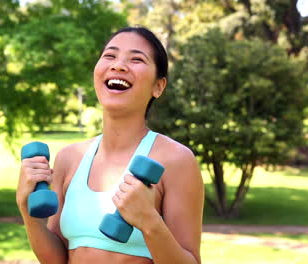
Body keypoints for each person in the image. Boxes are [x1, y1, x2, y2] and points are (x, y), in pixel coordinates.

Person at [17, 26, 204, 264]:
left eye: (136, 59)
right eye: (110, 56)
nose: (118, 65)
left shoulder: (176, 160)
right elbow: (56, 260)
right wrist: (27, 211)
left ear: (158, 86)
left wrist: (149, 221)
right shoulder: (69, 158)